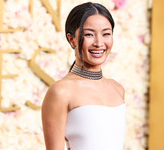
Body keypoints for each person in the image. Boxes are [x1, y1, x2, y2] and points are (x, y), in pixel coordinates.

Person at [42, 2, 126, 150]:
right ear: (72, 39)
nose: (99, 43)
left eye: (106, 33)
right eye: (89, 34)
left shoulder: (117, 89)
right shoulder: (60, 91)